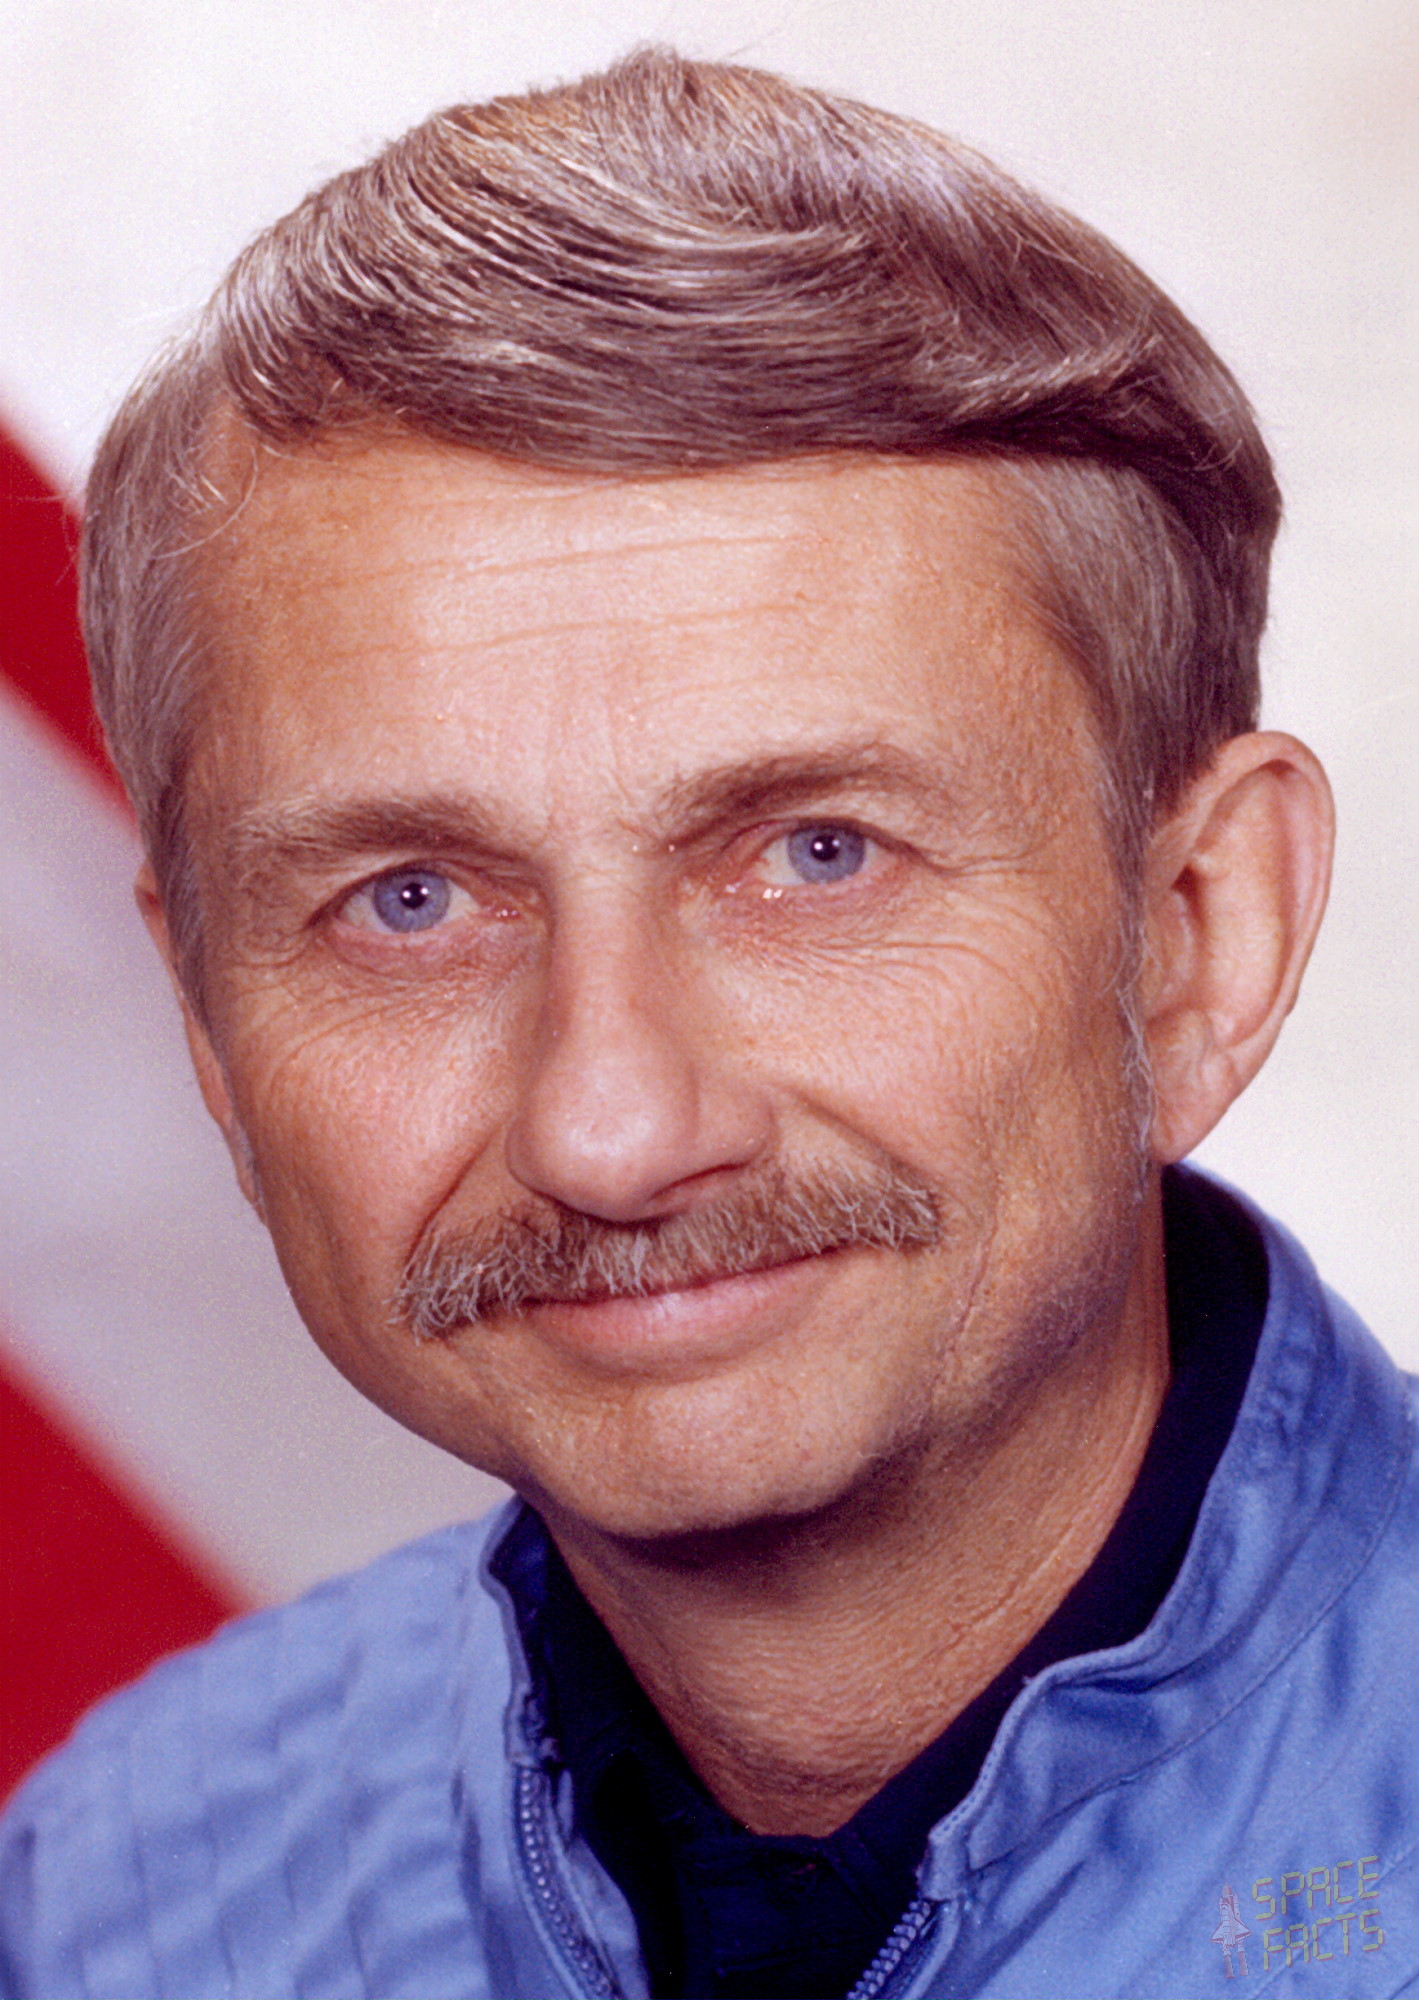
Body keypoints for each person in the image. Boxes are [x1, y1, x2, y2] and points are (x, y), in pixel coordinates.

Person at [0, 46, 1412, 2000]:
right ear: (209, 1027)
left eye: (818, 855)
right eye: (409, 900)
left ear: (1196, 934)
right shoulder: (130, 1893)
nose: (611, 1127)